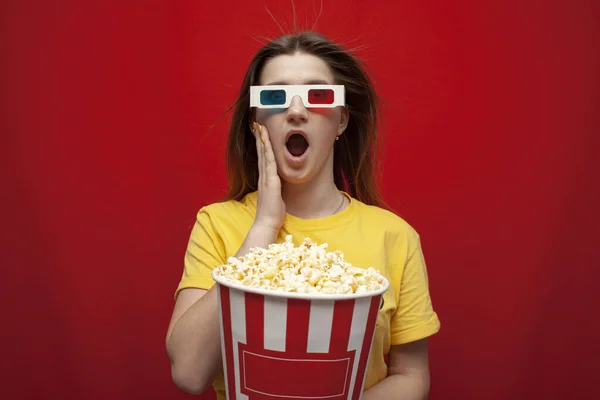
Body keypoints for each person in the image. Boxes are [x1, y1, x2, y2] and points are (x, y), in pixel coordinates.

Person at [166, 31, 440, 400]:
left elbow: (412, 376)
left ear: (341, 121)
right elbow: (188, 372)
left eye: (319, 95)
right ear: (256, 122)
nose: (296, 111)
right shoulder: (218, 225)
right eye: (275, 97)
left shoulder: (395, 237)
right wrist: (263, 228)